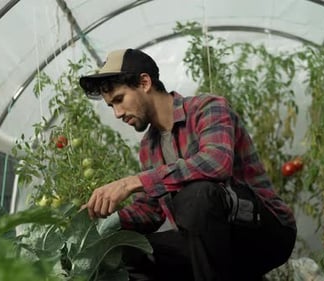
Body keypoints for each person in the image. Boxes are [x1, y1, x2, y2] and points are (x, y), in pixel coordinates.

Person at [79, 48, 296, 281]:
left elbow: (216, 162)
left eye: (119, 100)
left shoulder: (207, 108)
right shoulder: (148, 147)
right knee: (123, 249)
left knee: (197, 194)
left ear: (144, 82)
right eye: (111, 106)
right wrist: (105, 222)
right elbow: (151, 211)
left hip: (264, 234)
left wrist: (132, 182)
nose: (117, 113)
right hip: (207, 246)